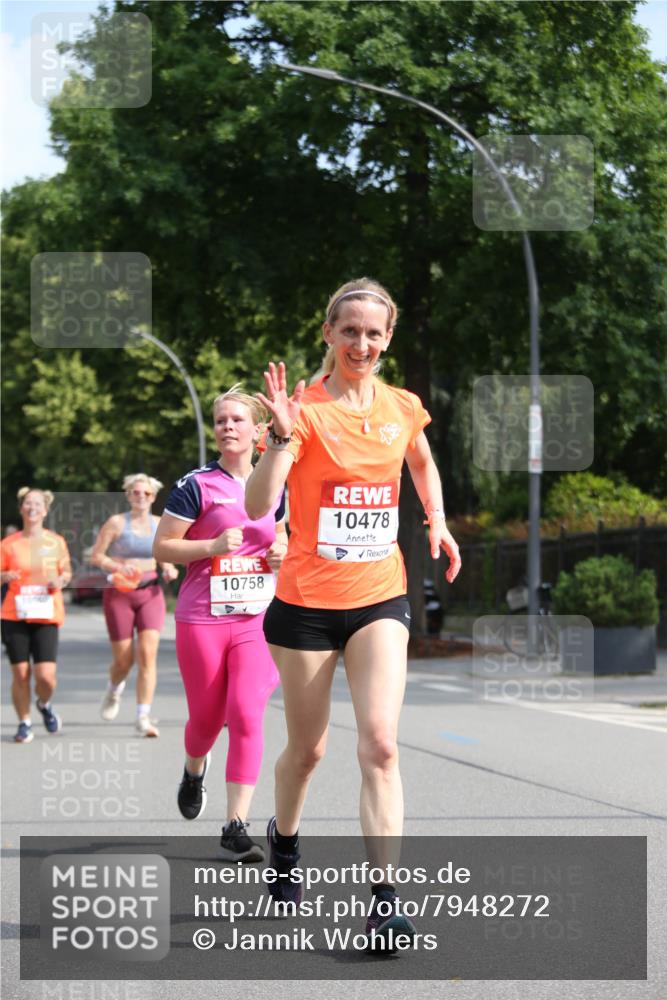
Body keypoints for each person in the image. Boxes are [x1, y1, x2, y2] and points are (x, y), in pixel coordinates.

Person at [245, 277, 461, 945]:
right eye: (349, 331)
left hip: (378, 596)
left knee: (381, 745)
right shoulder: (302, 411)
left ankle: (384, 900)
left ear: (387, 339)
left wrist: (437, 520)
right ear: (328, 334)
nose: (360, 343)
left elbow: (420, 460)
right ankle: (284, 843)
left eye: (373, 333)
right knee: (307, 752)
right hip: (305, 605)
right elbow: (257, 506)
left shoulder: (402, 406)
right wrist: (280, 441)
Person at [153, 386, 286, 862]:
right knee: (207, 719)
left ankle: (235, 824)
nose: (227, 427)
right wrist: (210, 548)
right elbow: (163, 547)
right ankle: (193, 770)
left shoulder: (276, 484)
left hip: (257, 618)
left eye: (236, 420)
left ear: (258, 431)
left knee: (248, 713)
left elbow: (282, 536)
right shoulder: (196, 485)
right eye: (221, 421)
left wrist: (280, 552)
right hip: (202, 617)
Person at [91, 474, 178, 737]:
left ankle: (143, 716)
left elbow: (166, 554)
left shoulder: (161, 523)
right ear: (128, 495)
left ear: (153, 497)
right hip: (120, 594)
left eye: (146, 493)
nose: (141, 497)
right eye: (136, 493)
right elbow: (96, 556)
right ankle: (114, 690)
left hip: (150, 592)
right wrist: (118, 566)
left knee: (148, 655)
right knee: (124, 659)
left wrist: (169, 568)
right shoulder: (117, 523)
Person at [1, 488, 71, 743]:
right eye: (28, 504)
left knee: (45, 677)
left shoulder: (56, 542)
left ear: (45, 509)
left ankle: (43, 703)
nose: (32, 508)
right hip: (14, 613)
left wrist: (59, 580)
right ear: (21, 509)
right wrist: (4, 577)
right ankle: (24, 722)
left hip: (46, 614)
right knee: (20, 673)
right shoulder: (9, 544)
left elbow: (66, 573)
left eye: (37, 504)